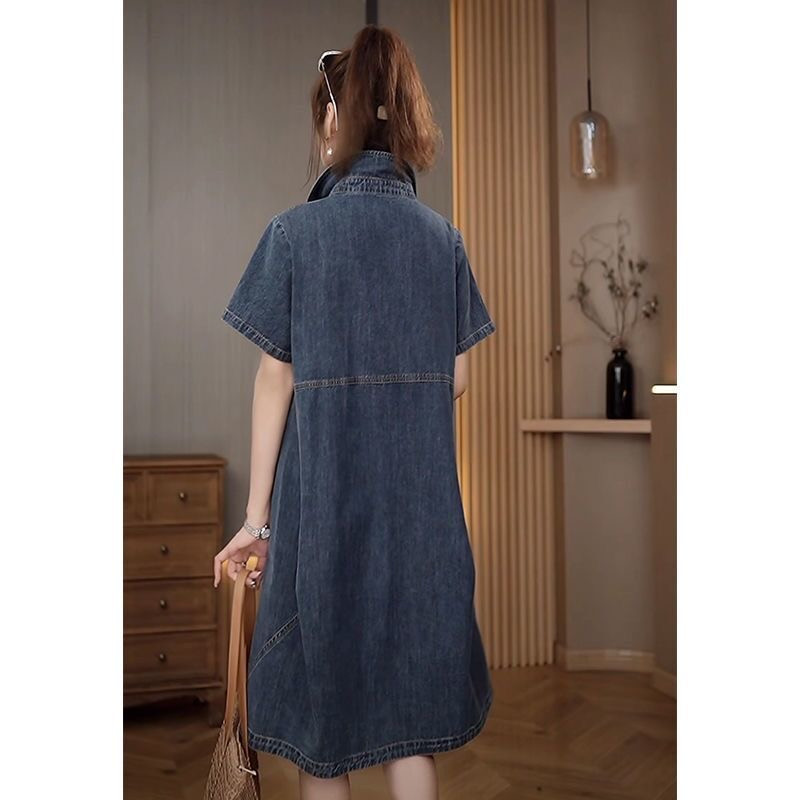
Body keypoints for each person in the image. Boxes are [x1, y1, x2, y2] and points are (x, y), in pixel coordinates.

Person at [213, 24, 496, 800]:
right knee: (413, 730)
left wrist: (256, 522)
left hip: (322, 520)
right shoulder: (443, 240)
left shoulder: (294, 234)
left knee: (324, 739)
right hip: (423, 525)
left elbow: (275, 381)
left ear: (335, 119)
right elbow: (456, 380)